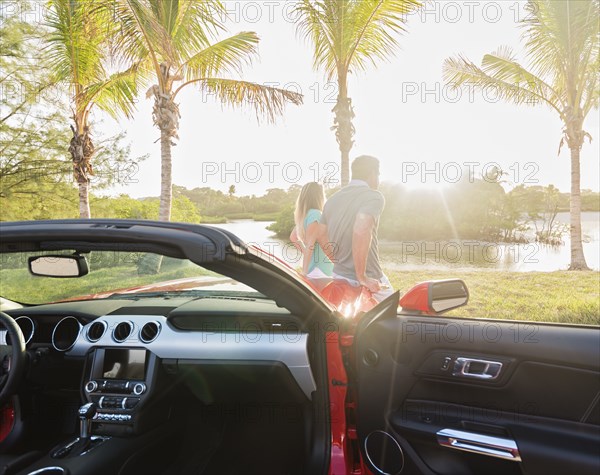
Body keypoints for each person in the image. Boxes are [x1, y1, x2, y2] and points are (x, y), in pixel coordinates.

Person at [315, 155, 393, 302]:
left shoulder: (332, 200)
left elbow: (321, 235)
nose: (378, 179)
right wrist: (362, 276)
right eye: (378, 174)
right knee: (392, 313)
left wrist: (338, 261)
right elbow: (361, 229)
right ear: (372, 173)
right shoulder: (373, 196)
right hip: (369, 277)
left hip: (339, 275)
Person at [289, 182, 334, 279]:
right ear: (319, 196)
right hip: (321, 270)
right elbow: (310, 244)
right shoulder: (316, 214)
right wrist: (304, 272)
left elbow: (293, 238)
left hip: (314, 269)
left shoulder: (304, 216)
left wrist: (305, 254)